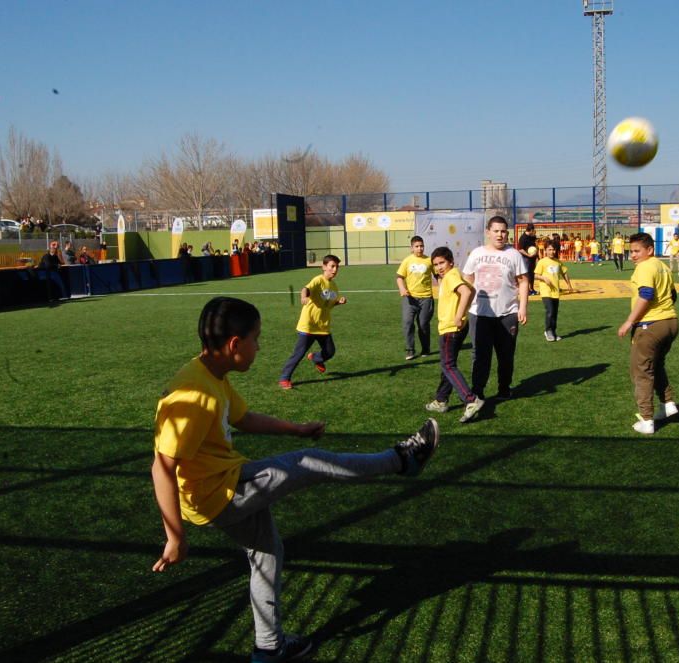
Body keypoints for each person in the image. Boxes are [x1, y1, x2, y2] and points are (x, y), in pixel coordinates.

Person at [151, 296, 440, 663]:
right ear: (234, 345)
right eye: (256, 338)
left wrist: (296, 429)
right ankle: (402, 460)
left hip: (220, 486)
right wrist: (175, 537)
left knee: (267, 555)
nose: (260, 346)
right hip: (218, 493)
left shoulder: (210, 374)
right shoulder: (192, 393)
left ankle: (268, 649)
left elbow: (244, 418)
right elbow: (162, 466)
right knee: (309, 463)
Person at [617, 233, 679, 435]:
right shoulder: (663, 266)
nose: (632, 256)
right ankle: (668, 404)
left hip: (650, 326)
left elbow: (646, 295)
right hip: (671, 322)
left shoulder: (645, 267)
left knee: (642, 372)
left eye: (637, 251)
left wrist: (630, 321)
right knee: (656, 364)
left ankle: (647, 420)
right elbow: (673, 295)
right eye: (631, 251)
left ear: (649, 250)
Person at [462, 216, 529, 401]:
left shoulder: (514, 254)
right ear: (488, 232)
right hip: (480, 314)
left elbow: (523, 281)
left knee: (506, 355)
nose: (500, 235)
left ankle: (504, 389)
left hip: (507, 314)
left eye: (503, 231)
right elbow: (467, 282)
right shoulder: (476, 253)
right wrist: (463, 309)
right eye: (496, 231)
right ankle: (478, 391)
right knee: (480, 355)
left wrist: (522, 307)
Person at [425, 246, 483, 422]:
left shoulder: (451, 276)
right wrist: (463, 312)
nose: (439, 267)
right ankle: (441, 400)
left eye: (442, 263)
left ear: (451, 262)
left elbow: (466, 292)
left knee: (448, 365)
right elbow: (471, 290)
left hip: (450, 328)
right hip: (453, 327)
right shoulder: (452, 276)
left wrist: (459, 315)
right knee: (447, 364)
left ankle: (471, 400)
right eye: (435, 264)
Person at [278, 255, 347, 389]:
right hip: (309, 325)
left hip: (322, 326)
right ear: (324, 267)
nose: (334, 269)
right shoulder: (318, 280)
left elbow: (328, 305)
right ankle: (284, 378)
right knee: (298, 353)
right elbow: (306, 289)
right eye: (332, 266)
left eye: (337, 267)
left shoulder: (334, 285)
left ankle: (316, 358)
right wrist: (304, 297)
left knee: (330, 351)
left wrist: (339, 302)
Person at [395, 236, 434, 361]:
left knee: (423, 324)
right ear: (411, 248)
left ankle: (425, 349)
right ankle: (410, 350)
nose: (420, 248)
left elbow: (438, 275)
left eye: (421, 246)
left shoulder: (429, 260)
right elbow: (399, 277)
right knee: (407, 323)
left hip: (426, 298)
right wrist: (402, 288)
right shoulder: (407, 261)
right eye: (417, 246)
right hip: (410, 298)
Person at [534, 242, 573, 341]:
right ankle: (548, 331)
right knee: (550, 311)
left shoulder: (558, 262)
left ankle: (554, 332)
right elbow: (535, 275)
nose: (552, 252)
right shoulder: (542, 262)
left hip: (556, 291)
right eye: (550, 249)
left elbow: (564, 273)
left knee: (554, 313)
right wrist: (543, 278)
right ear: (546, 250)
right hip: (546, 291)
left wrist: (569, 285)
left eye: (553, 250)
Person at [517, 224, 539, 295]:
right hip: (526, 259)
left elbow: (535, 246)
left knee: (532, 274)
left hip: (532, 258)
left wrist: (536, 256)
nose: (534, 232)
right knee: (526, 274)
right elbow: (520, 249)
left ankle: (532, 289)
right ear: (531, 230)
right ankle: (526, 290)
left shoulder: (532, 237)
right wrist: (528, 255)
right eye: (533, 230)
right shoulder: (523, 238)